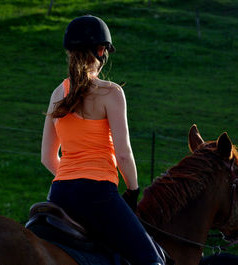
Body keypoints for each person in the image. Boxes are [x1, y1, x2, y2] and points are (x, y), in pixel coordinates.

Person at [41, 15, 164, 265]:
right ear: (101, 51)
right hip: (97, 193)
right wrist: (132, 189)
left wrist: (71, 176)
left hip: (59, 194)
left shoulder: (57, 94)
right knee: (152, 260)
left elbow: (47, 157)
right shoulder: (111, 92)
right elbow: (123, 154)